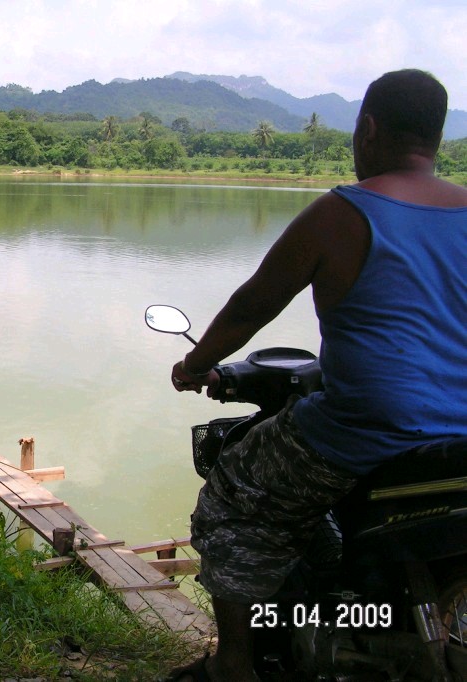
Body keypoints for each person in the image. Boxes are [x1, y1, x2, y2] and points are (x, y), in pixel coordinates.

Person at [166, 69, 467, 682]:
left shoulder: (341, 214)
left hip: (369, 429)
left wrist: (193, 366)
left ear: (368, 128)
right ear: (437, 138)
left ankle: (234, 663)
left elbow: (251, 309)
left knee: (231, 496)